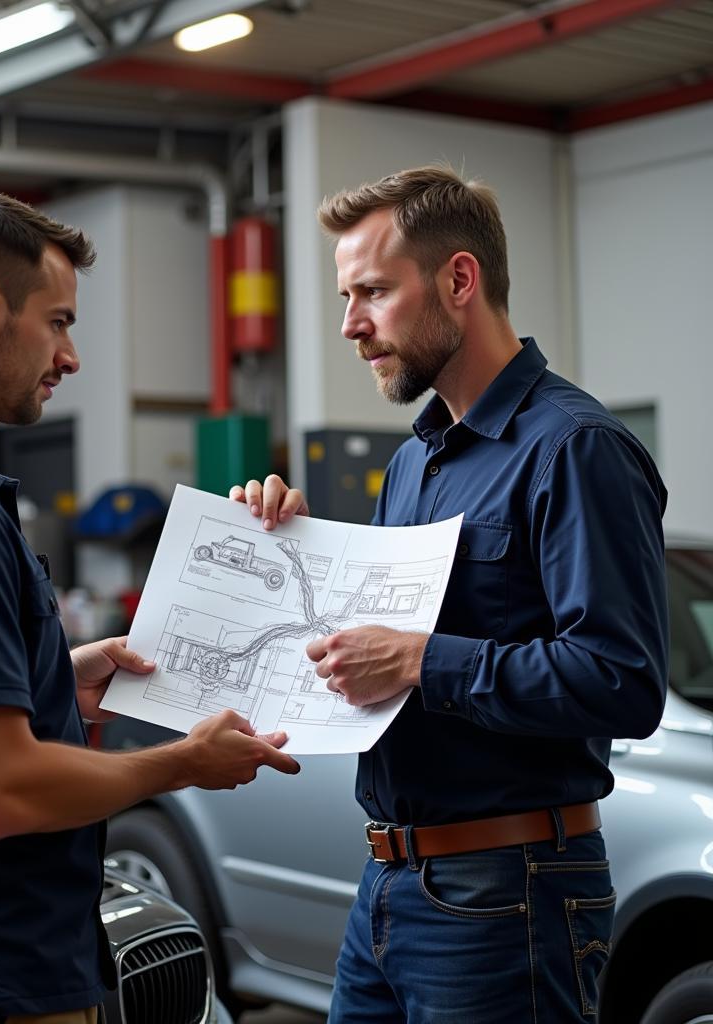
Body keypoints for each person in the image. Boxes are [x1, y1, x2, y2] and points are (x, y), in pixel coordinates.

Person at [0, 189, 299, 1024]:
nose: (71, 356)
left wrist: (49, 680)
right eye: (59, 322)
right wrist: (182, 763)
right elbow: (0, 793)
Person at [231, 165, 668, 1023]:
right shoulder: (414, 463)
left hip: (512, 894)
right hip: (390, 886)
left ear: (459, 280)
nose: (351, 326)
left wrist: (425, 661)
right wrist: (294, 556)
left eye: (373, 293)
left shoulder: (575, 449)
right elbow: (381, 657)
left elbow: (623, 678)